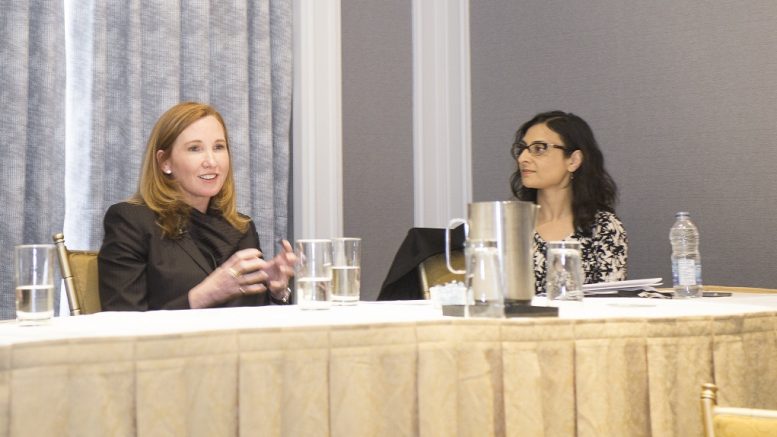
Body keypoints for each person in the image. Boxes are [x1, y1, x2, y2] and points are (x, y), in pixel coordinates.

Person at [98, 102, 295, 310]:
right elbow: (122, 324)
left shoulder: (242, 227)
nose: (211, 161)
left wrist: (277, 292)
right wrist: (204, 295)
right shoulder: (130, 222)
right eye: (195, 149)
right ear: (165, 162)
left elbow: (258, 322)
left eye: (219, 147)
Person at [509, 110, 627, 294]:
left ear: (573, 160)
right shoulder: (511, 226)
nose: (523, 158)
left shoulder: (603, 227)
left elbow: (610, 304)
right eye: (522, 148)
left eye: (538, 148)